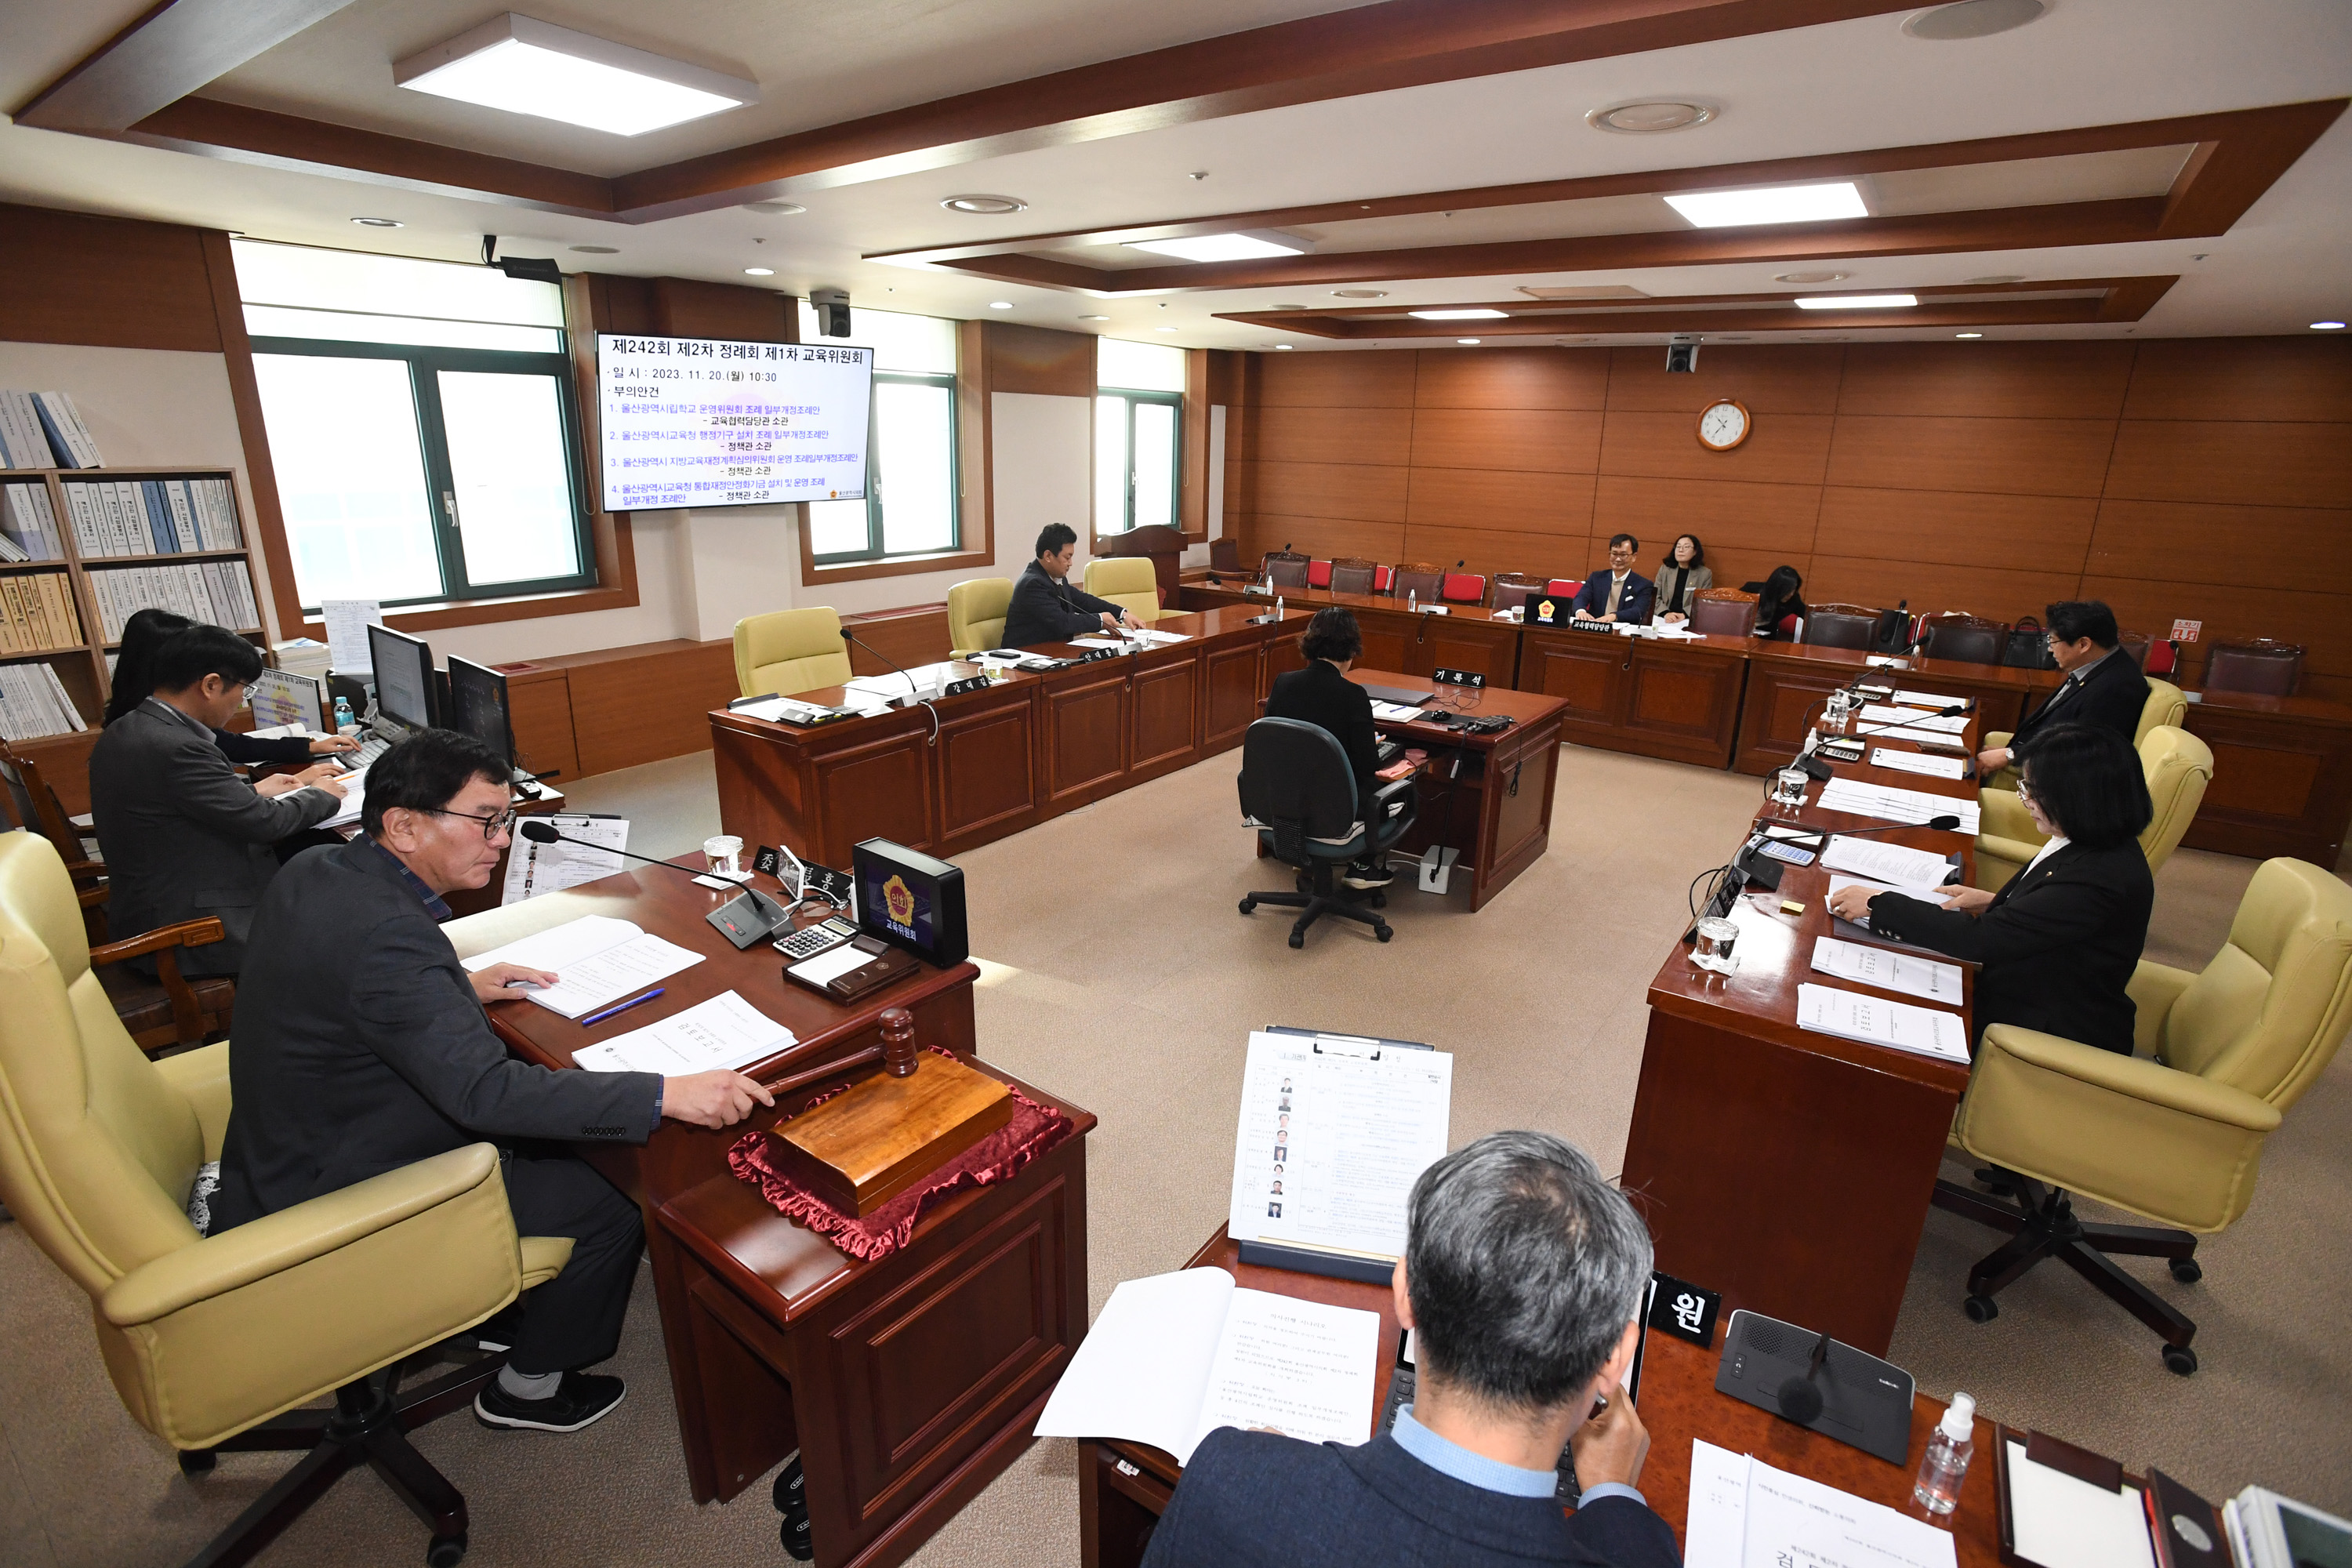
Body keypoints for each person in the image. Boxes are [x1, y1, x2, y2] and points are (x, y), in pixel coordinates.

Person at [210, 728, 776, 1435]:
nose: (501, 840)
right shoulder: (389, 939)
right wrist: (665, 1092)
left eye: (504, 820)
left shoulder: (319, 867)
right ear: (405, 826)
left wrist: (454, 987)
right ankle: (528, 1387)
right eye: (485, 820)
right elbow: (485, 1095)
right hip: (345, 1188)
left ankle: (501, 1313)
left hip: (286, 1142)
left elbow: (338, 983)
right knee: (612, 1186)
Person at [1142, 1131, 1677, 1568]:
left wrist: (1271, 1472)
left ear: (1405, 1293)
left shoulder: (1231, 1477)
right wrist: (1612, 1499)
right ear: (1614, 1358)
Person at [1828, 724, 2154, 1054]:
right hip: (2030, 982)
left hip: (2043, 1032)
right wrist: (1997, 902)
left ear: (2078, 799)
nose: (2025, 800)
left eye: (2033, 791)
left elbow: (1980, 940)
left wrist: (1877, 903)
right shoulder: (2092, 841)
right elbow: (2054, 913)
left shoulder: (2099, 877)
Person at [88, 625, 348, 975]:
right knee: (342, 894)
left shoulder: (131, 726)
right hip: (192, 927)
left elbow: (177, 806)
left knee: (316, 860)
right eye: (243, 690)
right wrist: (322, 795)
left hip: (159, 896)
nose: (242, 701)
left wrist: (255, 790)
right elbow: (265, 823)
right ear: (210, 685)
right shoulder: (180, 747)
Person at [106, 608, 358, 771]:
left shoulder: (136, 716)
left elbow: (224, 743)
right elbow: (253, 814)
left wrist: (308, 746)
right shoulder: (164, 734)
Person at [1265, 606, 1393, 891]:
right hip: (1338, 811)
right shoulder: (1353, 695)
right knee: (1399, 791)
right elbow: (1368, 765)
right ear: (1351, 650)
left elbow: (1271, 745)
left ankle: (1307, 859)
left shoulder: (1283, 683)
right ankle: (1363, 867)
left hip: (1286, 804)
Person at [1977, 600, 2150, 777]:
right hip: (2037, 760)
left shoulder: (2117, 687)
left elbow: (2082, 752)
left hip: (2056, 786)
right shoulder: (2102, 666)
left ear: (2083, 644)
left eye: (2053, 641)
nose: (2050, 650)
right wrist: (2013, 752)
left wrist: (2011, 755)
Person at [1001, 522, 1142, 648]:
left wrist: (1122, 613)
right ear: (1048, 556)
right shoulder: (1033, 584)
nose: (1071, 563)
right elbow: (1062, 622)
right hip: (1025, 658)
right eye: (1067, 557)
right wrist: (1100, 620)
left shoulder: (1055, 576)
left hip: (1054, 652)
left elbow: (1082, 600)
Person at [1570, 534, 1654, 625]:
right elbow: (1581, 597)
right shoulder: (1597, 578)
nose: (1618, 559)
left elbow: (1638, 611)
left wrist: (1614, 616)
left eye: (1623, 555)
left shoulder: (1643, 585)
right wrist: (1581, 611)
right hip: (1595, 629)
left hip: (1622, 633)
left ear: (1634, 557)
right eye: (1614, 554)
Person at [1653, 534, 1712, 623]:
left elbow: (1703, 602)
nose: (1681, 550)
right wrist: (1666, 613)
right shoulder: (1665, 569)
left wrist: (1684, 615)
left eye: (1686, 547)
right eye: (1678, 547)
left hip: (1688, 619)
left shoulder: (1704, 574)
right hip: (1664, 618)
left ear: (1695, 552)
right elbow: (1655, 596)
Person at [1747, 565, 1806, 640]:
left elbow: (1806, 615)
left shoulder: (1794, 599)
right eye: (1788, 590)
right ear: (1777, 587)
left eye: (1794, 589)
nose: (1791, 594)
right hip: (1742, 636)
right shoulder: (1752, 590)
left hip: (1768, 642)